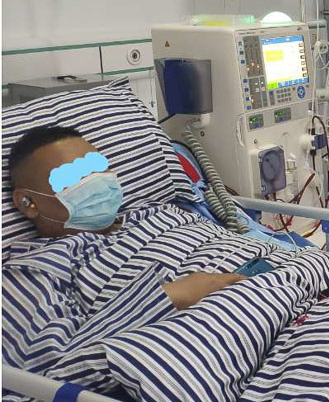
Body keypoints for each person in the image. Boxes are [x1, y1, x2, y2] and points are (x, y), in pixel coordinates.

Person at [8, 125, 245, 309]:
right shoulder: (35, 271)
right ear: (27, 203)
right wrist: (167, 296)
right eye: (74, 177)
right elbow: (46, 350)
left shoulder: (159, 211)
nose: (98, 181)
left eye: (100, 168)